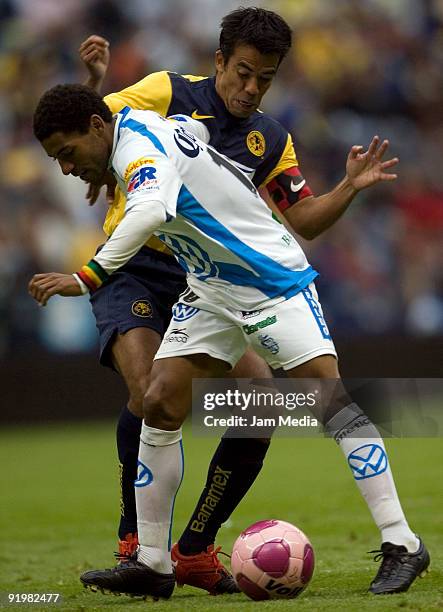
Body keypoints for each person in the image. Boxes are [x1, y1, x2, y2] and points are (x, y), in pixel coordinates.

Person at [30, 84, 429, 600]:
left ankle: (403, 542)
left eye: (68, 153)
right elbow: (194, 134)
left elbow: (150, 210)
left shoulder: (138, 149)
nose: (66, 167)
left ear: (97, 126)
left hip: (268, 280)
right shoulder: (137, 123)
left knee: (331, 402)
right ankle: (153, 563)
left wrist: (86, 277)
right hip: (209, 287)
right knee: (160, 400)